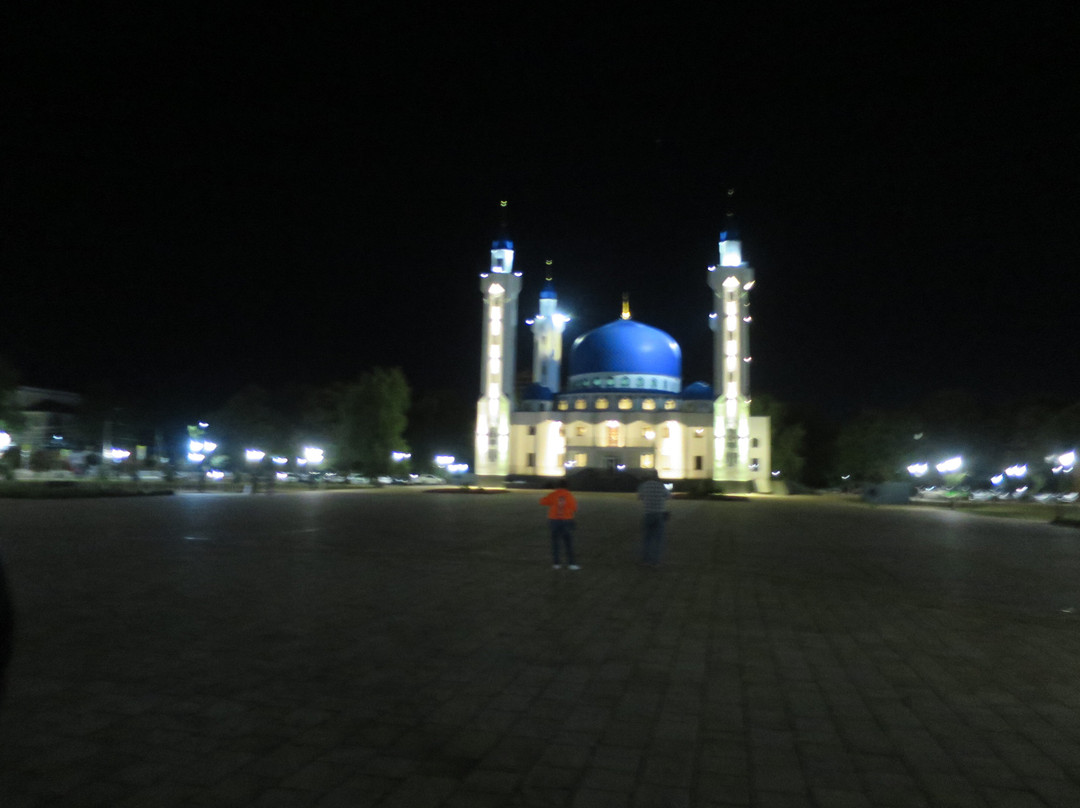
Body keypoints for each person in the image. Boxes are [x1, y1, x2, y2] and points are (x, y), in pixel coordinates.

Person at [539, 479, 579, 570]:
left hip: (554, 520)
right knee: (568, 543)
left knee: (555, 543)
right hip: (566, 520)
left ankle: (556, 563)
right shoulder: (569, 495)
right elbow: (574, 508)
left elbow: (542, 501)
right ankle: (571, 563)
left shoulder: (554, 494)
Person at [637, 473, 671, 566]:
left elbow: (640, 497)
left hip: (648, 513)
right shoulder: (661, 486)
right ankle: (655, 561)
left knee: (647, 538)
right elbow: (668, 496)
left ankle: (646, 559)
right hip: (659, 514)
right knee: (658, 539)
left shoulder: (644, 485)